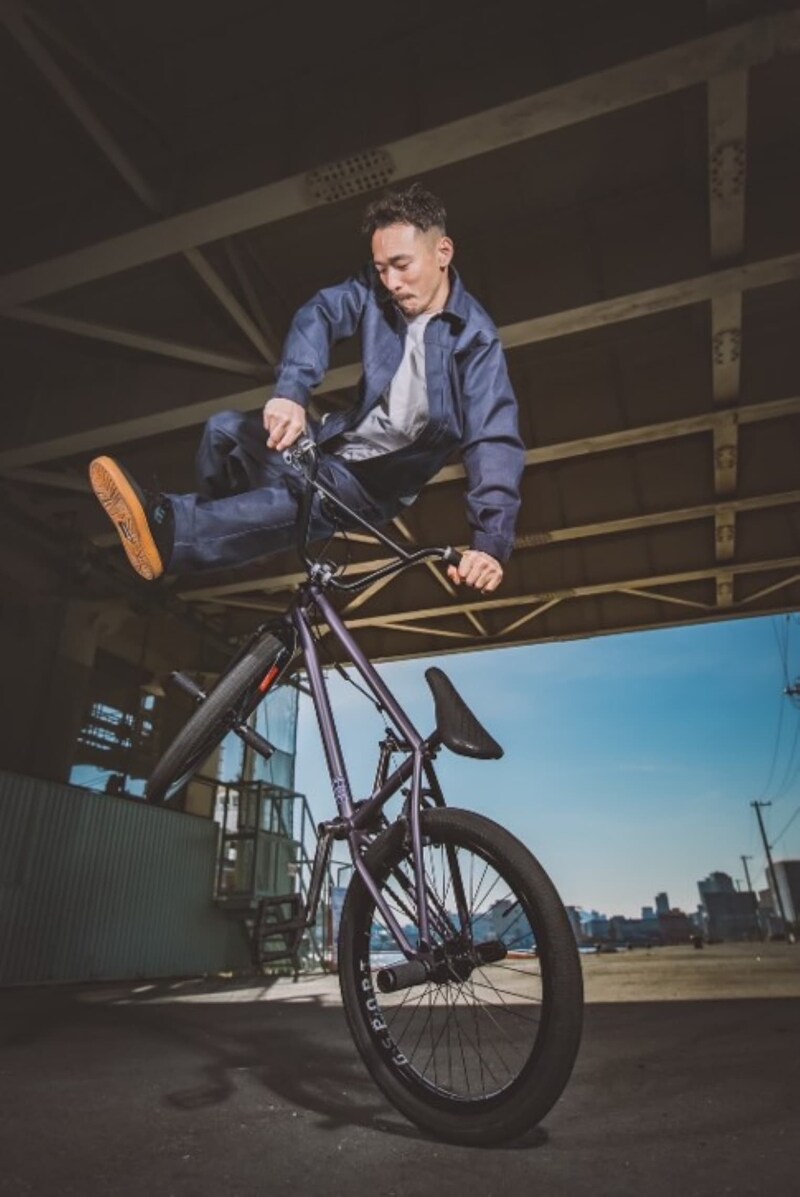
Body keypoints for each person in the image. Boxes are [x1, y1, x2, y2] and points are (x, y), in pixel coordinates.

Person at [89, 184, 524, 594]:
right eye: (381, 269)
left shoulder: (475, 341)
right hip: (331, 442)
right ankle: (236, 529)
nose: (391, 283)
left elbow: (493, 438)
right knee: (223, 431)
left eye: (402, 265)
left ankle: (172, 532)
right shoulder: (375, 288)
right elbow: (322, 314)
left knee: (303, 497)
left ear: (442, 252)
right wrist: (291, 391)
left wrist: (490, 543)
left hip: (370, 486)